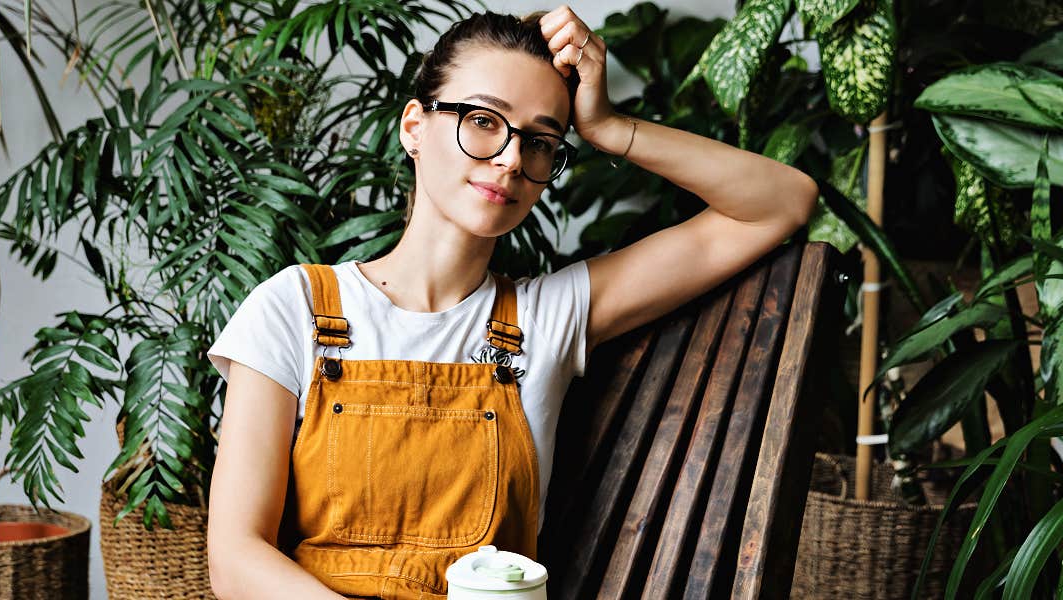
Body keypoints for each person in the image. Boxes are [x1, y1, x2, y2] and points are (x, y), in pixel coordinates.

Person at [204, 6, 818, 599]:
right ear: (414, 127)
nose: (510, 159)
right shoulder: (294, 308)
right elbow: (235, 561)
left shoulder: (548, 318)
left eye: (542, 141)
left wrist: (607, 126)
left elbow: (779, 203)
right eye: (482, 120)